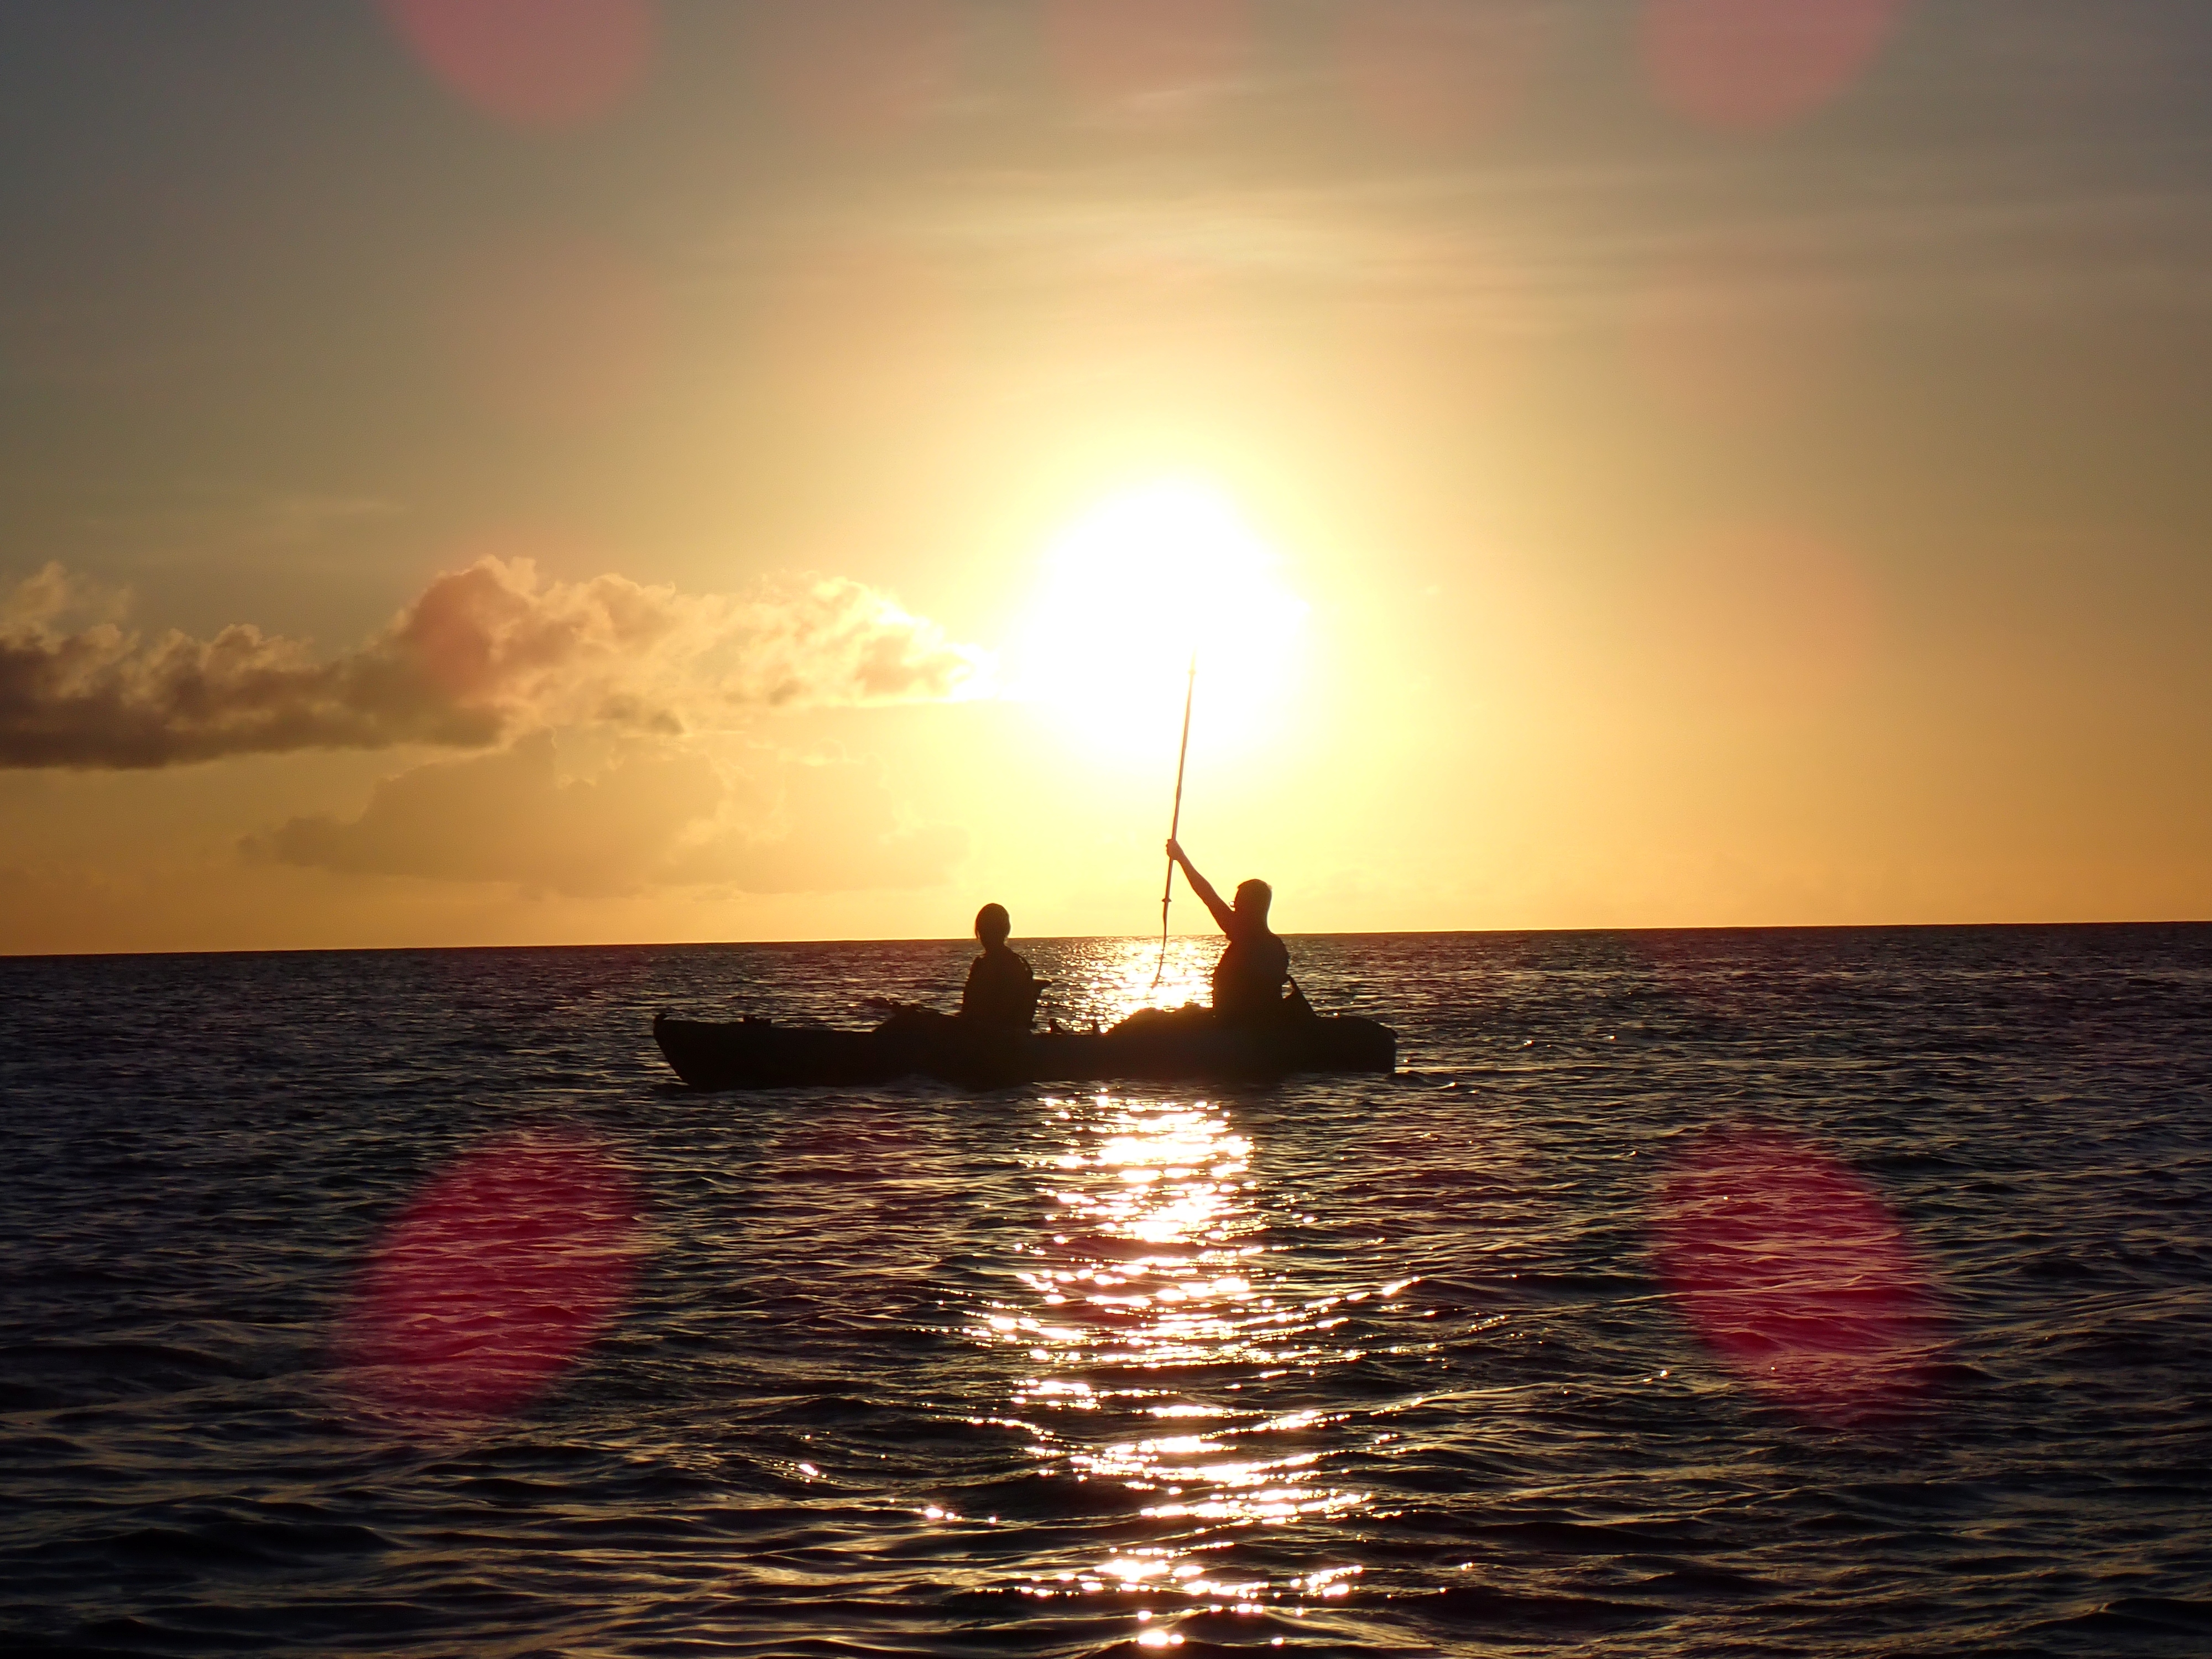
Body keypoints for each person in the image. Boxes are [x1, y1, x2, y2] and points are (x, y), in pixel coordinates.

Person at [1165, 838, 1292, 1024]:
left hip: (1240, 1029)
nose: (1233, 911)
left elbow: (1207, 895)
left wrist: (1182, 859)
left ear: (1251, 908)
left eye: (1237, 906)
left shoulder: (1248, 941)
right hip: (1258, 1026)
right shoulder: (1276, 947)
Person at [959, 902, 1041, 1032]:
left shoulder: (1008, 965)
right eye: (983, 931)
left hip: (997, 1037)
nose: (985, 936)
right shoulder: (1017, 964)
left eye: (988, 930)